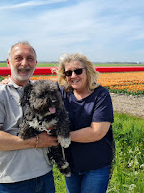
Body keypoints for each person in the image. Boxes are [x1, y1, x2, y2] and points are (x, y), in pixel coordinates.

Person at [0, 41, 58, 193]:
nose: (24, 63)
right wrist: (37, 141)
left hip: (45, 175)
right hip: (13, 180)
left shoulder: (42, 91)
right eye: (18, 58)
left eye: (30, 58)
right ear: (9, 62)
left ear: (35, 63)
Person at [56, 53, 114, 193]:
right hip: (71, 165)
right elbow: (37, 88)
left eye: (78, 71)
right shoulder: (62, 92)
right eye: (68, 72)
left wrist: (61, 136)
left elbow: (97, 132)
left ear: (87, 71)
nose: (73, 75)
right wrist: (10, 81)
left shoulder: (101, 95)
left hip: (96, 166)